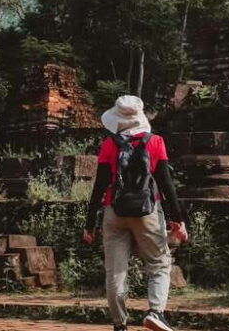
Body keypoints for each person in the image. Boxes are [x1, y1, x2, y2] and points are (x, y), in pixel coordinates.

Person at [84, 95, 188, 331]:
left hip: (114, 211)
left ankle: (120, 325)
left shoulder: (109, 144)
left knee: (116, 272)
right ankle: (155, 312)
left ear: (117, 119)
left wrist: (89, 224)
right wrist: (178, 220)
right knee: (159, 264)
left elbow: (99, 187)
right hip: (148, 212)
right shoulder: (155, 142)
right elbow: (166, 184)